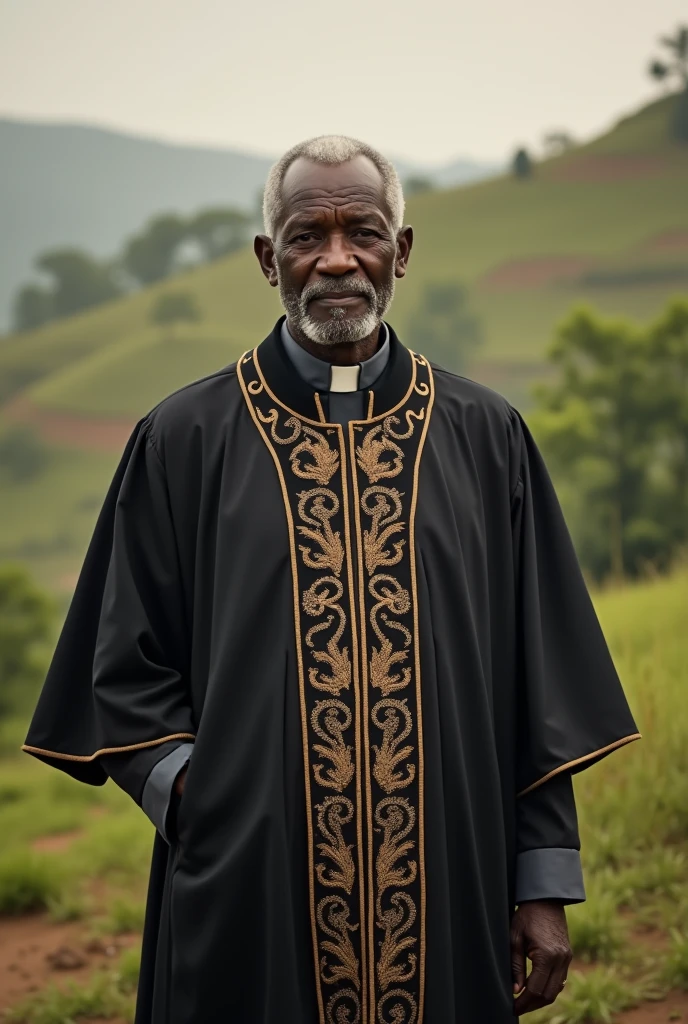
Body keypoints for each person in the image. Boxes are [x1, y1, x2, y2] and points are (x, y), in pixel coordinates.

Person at [23, 136, 640, 1024]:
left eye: (365, 232)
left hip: (449, 880)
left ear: (404, 251)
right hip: (247, 893)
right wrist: (206, 799)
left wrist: (542, 884)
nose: (338, 259)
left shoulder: (485, 438)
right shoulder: (184, 440)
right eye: (309, 234)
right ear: (269, 258)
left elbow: (540, 684)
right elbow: (119, 664)